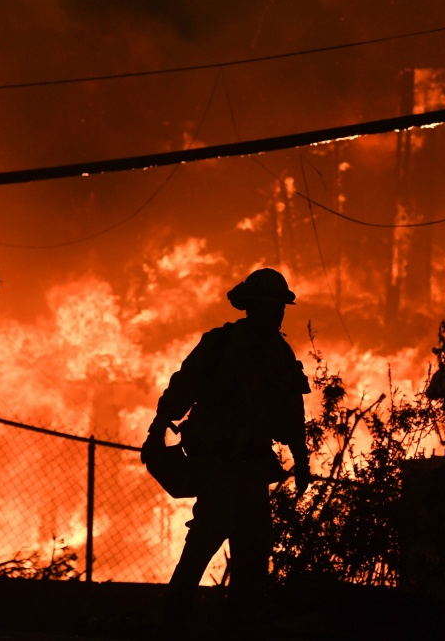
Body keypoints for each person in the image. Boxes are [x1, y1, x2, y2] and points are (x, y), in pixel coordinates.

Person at [143, 268, 312, 636]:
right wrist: (159, 426)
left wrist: (301, 459)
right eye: (271, 306)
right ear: (252, 307)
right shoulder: (220, 344)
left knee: (253, 553)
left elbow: (291, 411)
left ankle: (238, 627)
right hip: (217, 464)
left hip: (253, 468)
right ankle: (175, 619)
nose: (277, 314)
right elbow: (183, 387)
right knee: (206, 538)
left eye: (280, 307)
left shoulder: (279, 354)